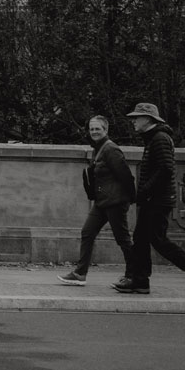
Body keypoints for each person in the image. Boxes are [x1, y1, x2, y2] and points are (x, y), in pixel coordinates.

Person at [114, 102, 185, 296]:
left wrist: (145, 192)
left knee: (157, 240)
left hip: (157, 199)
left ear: (148, 119)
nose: (133, 121)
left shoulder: (159, 138)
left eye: (137, 117)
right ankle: (140, 281)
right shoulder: (153, 138)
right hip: (154, 198)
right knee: (141, 239)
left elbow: (165, 169)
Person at [58, 115, 135, 285]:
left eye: (97, 129)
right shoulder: (98, 148)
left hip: (115, 202)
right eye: (92, 129)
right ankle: (80, 274)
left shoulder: (111, 150)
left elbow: (126, 176)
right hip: (102, 202)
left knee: (122, 239)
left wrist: (129, 199)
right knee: (87, 232)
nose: (94, 132)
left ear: (105, 130)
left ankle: (133, 275)